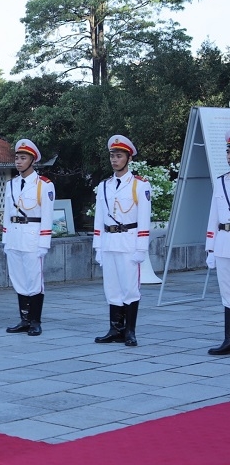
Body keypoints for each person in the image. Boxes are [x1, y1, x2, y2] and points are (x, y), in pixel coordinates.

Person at [93, 135, 151, 347]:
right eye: (112, 156)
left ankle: (130, 331)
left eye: (119, 156)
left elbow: (144, 219)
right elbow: (99, 218)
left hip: (129, 242)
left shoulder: (139, 185)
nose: (114, 160)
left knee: (130, 288)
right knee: (112, 287)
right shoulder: (104, 186)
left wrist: (141, 249)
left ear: (128, 159)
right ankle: (114, 329)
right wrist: (98, 246)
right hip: (109, 242)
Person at [3, 140, 55, 336]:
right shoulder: (12, 184)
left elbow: (48, 216)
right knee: (18, 279)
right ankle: (24, 319)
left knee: (34, 280)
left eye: (23, 158)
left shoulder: (44, 185)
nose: (18, 161)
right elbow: (7, 213)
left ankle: (35, 321)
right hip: (15, 236)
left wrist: (44, 243)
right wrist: (5, 239)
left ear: (32, 160)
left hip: (33, 236)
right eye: (17, 158)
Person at [206, 131, 230, 355]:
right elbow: (214, 217)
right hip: (223, 243)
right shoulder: (221, 181)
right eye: (228, 151)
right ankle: (228, 339)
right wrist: (210, 248)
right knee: (227, 293)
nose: (229, 155)